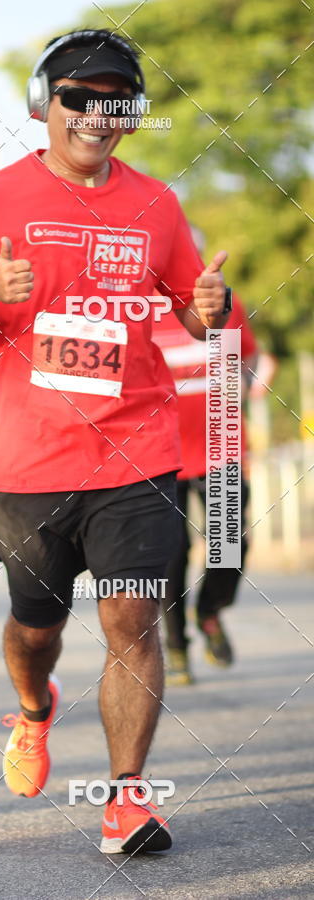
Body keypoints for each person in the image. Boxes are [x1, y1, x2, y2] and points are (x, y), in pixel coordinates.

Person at [0, 29, 232, 855]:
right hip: (32, 462)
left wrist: (214, 304)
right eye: (79, 97)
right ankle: (34, 709)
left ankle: (127, 799)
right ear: (44, 104)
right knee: (37, 628)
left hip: (139, 449)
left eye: (116, 100)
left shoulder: (157, 205)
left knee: (132, 618)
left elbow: (196, 314)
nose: (98, 113)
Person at [151, 256, 258, 684]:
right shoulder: (139, 310)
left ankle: (210, 611)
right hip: (159, 452)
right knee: (171, 553)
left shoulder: (225, 303)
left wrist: (240, 391)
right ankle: (176, 644)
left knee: (230, 542)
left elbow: (247, 358)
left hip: (222, 445)